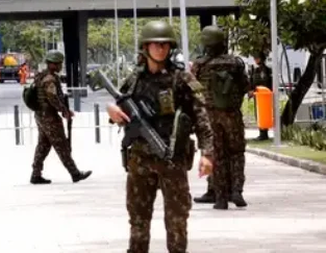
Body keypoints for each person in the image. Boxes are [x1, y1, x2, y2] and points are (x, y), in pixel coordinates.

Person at [106, 20, 214, 253]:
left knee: (177, 222)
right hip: (140, 161)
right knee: (138, 221)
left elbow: (201, 118)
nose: (161, 48)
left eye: (165, 44)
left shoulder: (181, 79)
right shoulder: (135, 80)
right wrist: (112, 111)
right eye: (155, 44)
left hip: (172, 160)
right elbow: (119, 108)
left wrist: (207, 154)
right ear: (145, 47)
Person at [192, 26, 249, 209]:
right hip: (232, 115)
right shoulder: (236, 63)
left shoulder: (200, 65)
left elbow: (192, 89)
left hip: (210, 116)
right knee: (236, 153)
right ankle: (237, 191)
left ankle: (220, 198)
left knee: (217, 155)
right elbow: (245, 86)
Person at [30, 49, 91, 184]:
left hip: (40, 115)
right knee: (61, 145)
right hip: (49, 117)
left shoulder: (41, 76)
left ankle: (35, 174)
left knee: (43, 146)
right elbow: (52, 98)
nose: (60, 66)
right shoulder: (49, 79)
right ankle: (75, 173)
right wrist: (64, 111)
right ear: (53, 64)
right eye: (58, 63)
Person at [249, 56, 272, 141]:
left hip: (263, 94)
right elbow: (252, 81)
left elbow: (264, 81)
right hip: (258, 94)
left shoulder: (265, 70)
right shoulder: (255, 69)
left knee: (263, 114)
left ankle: (264, 133)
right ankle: (262, 132)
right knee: (258, 114)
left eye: (257, 58)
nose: (255, 60)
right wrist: (251, 90)